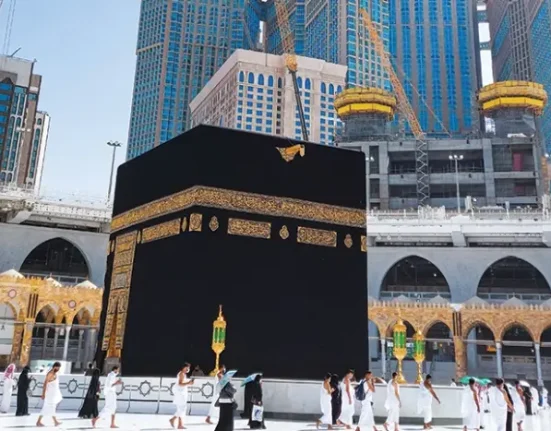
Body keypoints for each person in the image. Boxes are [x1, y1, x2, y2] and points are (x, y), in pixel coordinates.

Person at [36, 362, 63, 427]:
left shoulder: (55, 373)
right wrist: (43, 394)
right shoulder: (50, 374)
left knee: (48, 407)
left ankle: (39, 421)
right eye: (58, 367)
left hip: (53, 394)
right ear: (54, 366)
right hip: (49, 394)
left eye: (59, 367)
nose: (58, 369)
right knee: (50, 407)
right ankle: (54, 422)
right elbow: (45, 383)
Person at [169, 363, 194, 430]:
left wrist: (188, 383)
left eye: (188, 368)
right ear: (183, 367)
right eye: (187, 367)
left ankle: (178, 423)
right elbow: (180, 384)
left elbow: (182, 383)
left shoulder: (183, 374)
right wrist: (188, 383)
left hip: (181, 392)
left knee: (181, 408)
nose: (188, 369)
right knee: (182, 408)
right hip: (180, 393)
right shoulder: (181, 374)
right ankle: (176, 422)